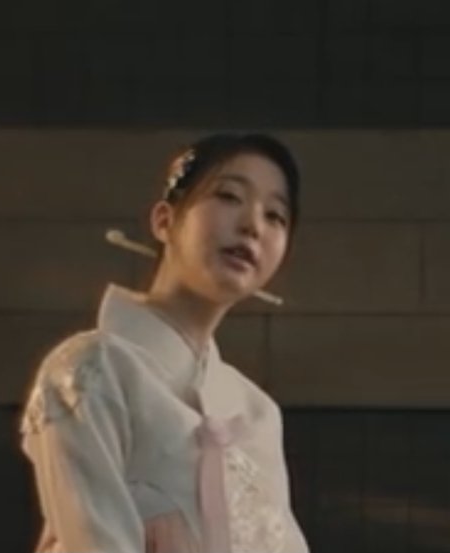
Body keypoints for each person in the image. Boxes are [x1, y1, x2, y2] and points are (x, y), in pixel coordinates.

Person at [19, 133, 310, 553]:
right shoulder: (90, 369)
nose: (253, 225)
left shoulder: (257, 412)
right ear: (164, 221)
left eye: (275, 216)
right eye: (229, 196)